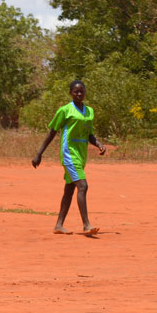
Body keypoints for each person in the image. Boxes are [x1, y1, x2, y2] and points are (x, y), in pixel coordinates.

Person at [31, 79, 107, 235]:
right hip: (69, 153)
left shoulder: (89, 111)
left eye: (82, 91)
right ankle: (86, 225)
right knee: (83, 186)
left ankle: (59, 225)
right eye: (76, 91)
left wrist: (99, 144)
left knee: (70, 189)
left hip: (81, 154)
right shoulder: (65, 110)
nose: (79, 94)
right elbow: (52, 132)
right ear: (70, 93)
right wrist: (39, 153)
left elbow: (89, 134)